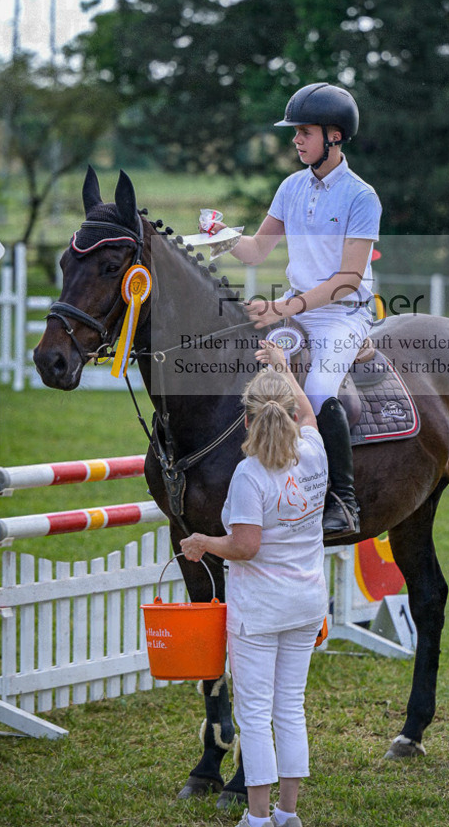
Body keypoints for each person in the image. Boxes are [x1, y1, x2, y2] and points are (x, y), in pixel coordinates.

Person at [206, 82, 382, 536]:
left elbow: (347, 280)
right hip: (299, 311)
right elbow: (256, 251)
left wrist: (284, 305)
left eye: (304, 131)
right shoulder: (290, 187)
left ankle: (343, 501)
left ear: (334, 136)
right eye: (295, 132)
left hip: (345, 313)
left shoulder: (362, 198)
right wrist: (220, 235)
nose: (295, 140)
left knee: (320, 389)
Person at [180, 339, 328, 827]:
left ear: (245, 421)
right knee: (291, 709)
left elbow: (245, 546)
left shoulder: (248, 475)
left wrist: (203, 541)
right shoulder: (314, 452)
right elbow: (307, 410)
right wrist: (285, 368)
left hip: (261, 611)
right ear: (288, 414)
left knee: (255, 715)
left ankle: (259, 818)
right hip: (307, 603)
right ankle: (288, 814)